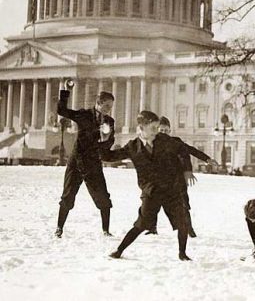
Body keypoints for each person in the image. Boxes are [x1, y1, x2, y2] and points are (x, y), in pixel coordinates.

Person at [103, 111, 195, 261]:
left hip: (171, 189)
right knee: (142, 224)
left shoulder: (164, 140)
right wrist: (106, 139)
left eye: (157, 127)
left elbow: (183, 149)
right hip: (151, 191)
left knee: (182, 221)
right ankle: (119, 251)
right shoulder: (133, 147)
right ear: (142, 127)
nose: (156, 131)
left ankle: (182, 254)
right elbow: (108, 157)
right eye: (153, 128)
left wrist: (187, 170)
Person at [55, 83, 115, 238]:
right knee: (68, 196)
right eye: (107, 106)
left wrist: (105, 140)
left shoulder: (109, 121)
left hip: (93, 163)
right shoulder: (84, 114)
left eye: (111, 107)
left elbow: (110, 142)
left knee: (103, 197)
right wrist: (65, 92)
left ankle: (106, 230)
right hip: (76, 162)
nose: (109, 109)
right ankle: (59, 228)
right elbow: (61, 110)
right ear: (99, 103)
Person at [155, 116, 218, 237]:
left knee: (183, 204)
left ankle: (190, 229)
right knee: (153, 203)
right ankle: (152, 228)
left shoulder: (175, 141)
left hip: (177, 178)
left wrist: (207, 159)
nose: (163, 133)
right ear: (157, 130)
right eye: (161, 130)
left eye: (166, 130)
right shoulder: (152, 143)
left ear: (170, 131)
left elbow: (191, 150)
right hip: (160, 178)